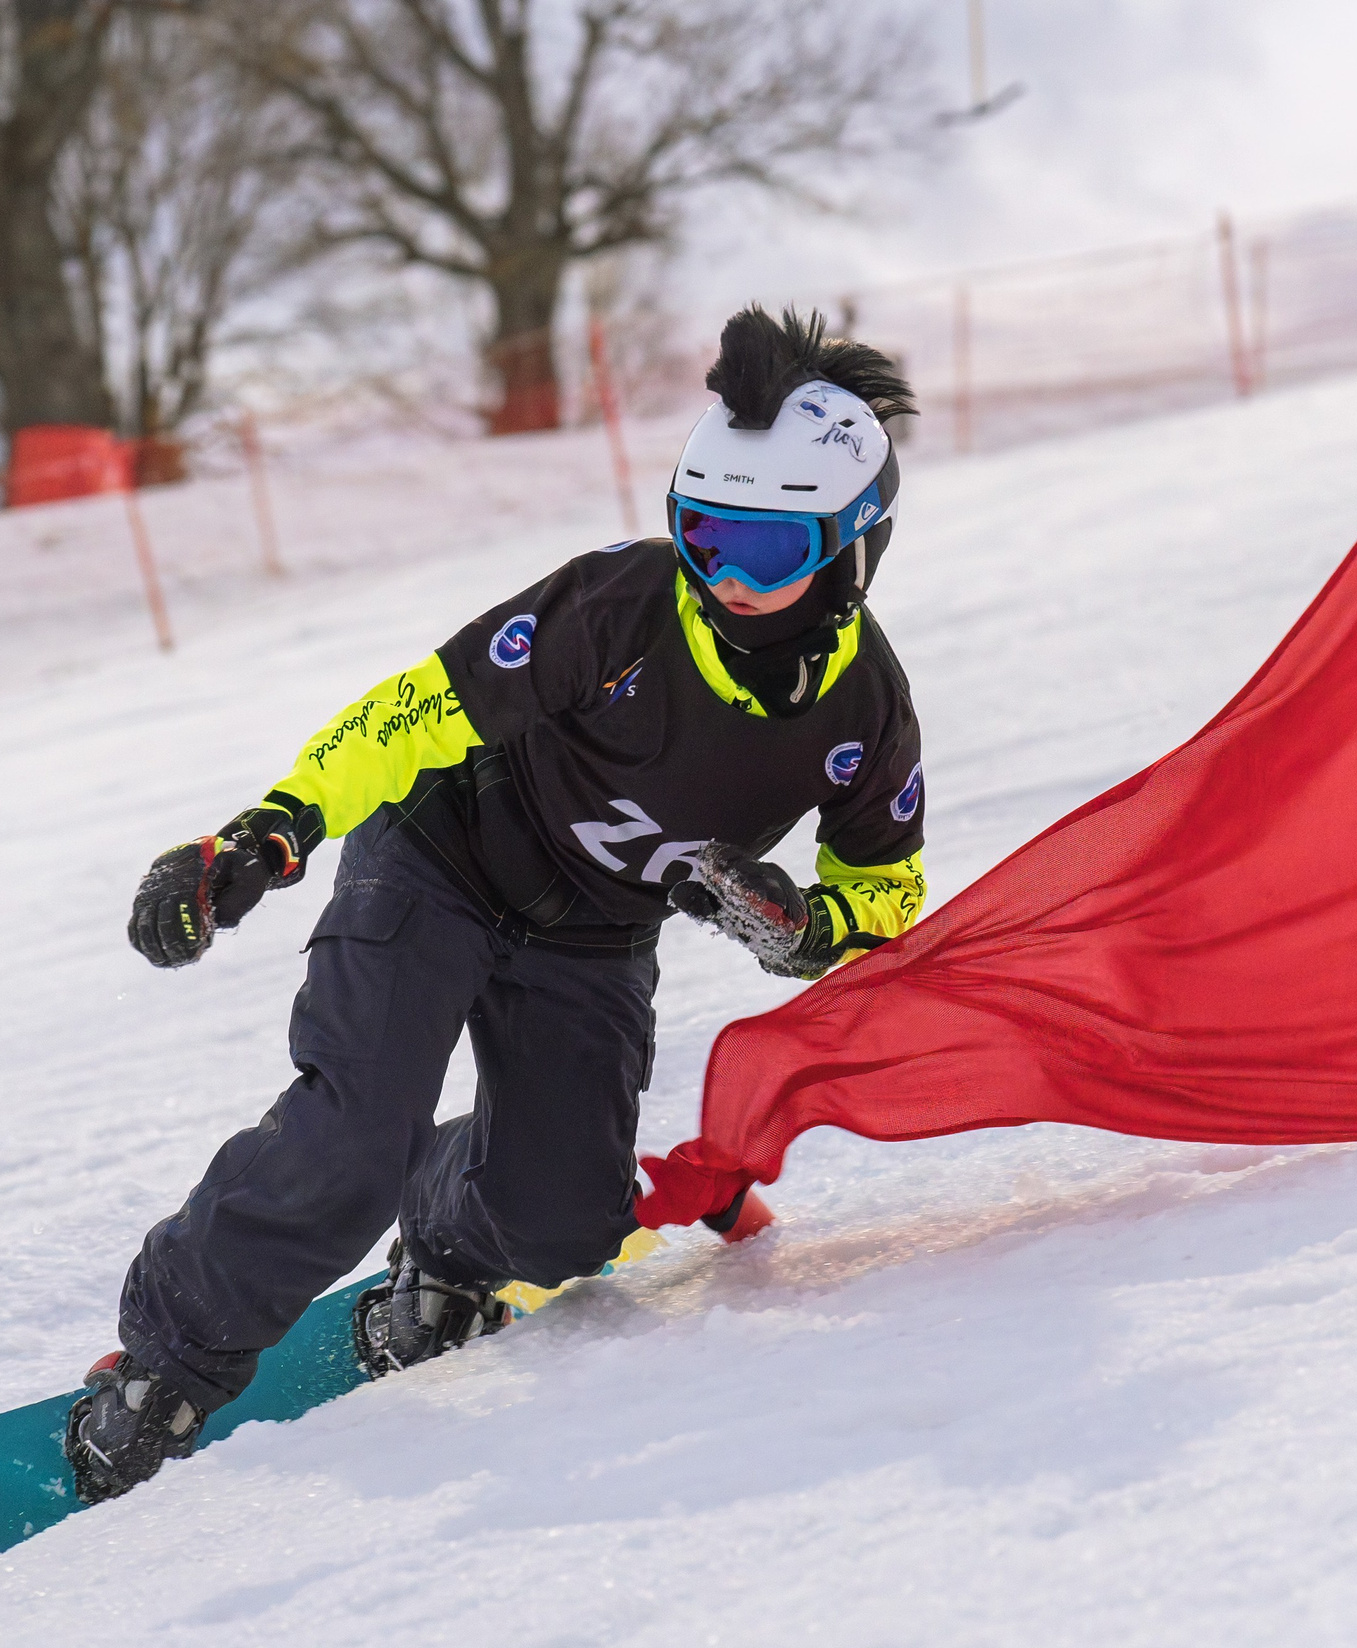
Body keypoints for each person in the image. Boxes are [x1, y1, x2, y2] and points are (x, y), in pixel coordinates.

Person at [65, 305, 929, 1501]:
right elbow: (415, 710)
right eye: (701, 535)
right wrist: (269, 832)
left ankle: (447, 1241)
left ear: (850, 551)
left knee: (565, 1224)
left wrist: (808, 931)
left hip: (592, 937)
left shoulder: (865, 717)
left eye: (767, 554)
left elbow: (885, 889)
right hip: (440, 865)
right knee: (350, 1136)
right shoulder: (618, 608)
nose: (723, 579)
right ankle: (164, 1362)